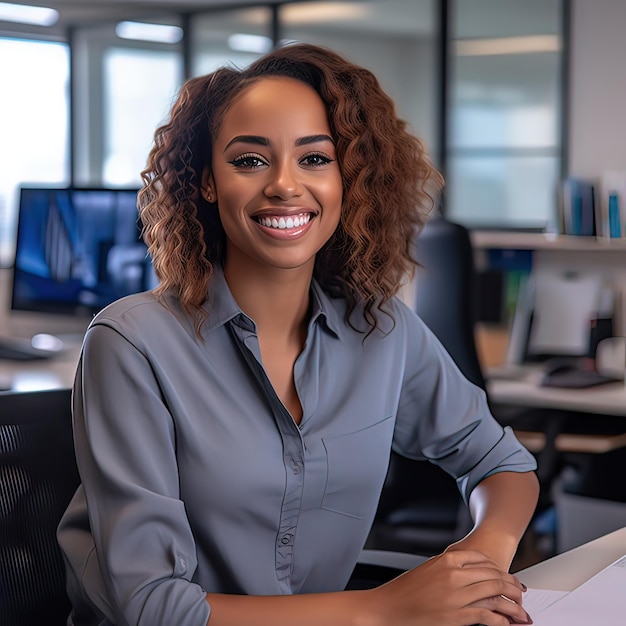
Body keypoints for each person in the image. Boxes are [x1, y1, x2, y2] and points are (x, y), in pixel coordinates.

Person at [57, 42, 539, 626]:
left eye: (315, 159)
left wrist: (480, 560)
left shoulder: (381, 331)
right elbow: (153, 605)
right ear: (208, 182)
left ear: (347, 180)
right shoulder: (132, 343)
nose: (285, 185)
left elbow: (502, 464)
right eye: (250, 160)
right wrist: (384, 609)